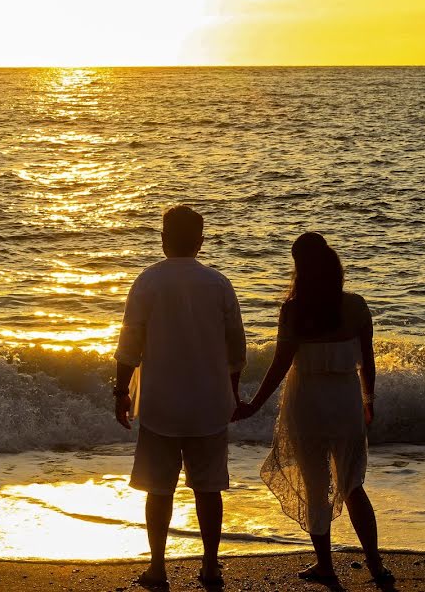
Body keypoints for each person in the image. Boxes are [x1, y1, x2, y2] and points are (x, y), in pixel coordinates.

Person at [233, 232, 393, 584]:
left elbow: (279, 365)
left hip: (307, 401)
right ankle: (376, 565)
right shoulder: (356, 305)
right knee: (353, 485)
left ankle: (326, 567)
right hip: (346, 401)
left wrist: (253, 405)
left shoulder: (294, 309)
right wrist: (369, 399)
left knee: (315, 485)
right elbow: (368, 359)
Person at [113, 205, 246, 588]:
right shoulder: (219, 283)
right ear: (200, 242)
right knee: (208, 488)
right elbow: (237, 348)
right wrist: (232, 392)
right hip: (209, 402)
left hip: (159, 403)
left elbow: (129, 344)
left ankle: (158, 566)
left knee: (159, 490)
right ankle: (209, 564)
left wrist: (122, 391)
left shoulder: (148, 281)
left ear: (163, 239)